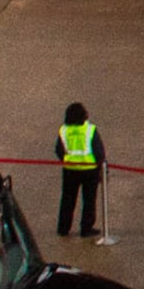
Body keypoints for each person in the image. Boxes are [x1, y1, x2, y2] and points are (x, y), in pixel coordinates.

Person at [57, 102, 110, 244]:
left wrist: (67, 159)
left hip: (70, 170)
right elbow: (99, 152)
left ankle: (63, 228)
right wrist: (102, 169)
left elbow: (59, 150)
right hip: (89, 170)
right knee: (89, 200)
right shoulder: (90, 130)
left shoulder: (63, 130)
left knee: (67, 199)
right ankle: (86, 228)